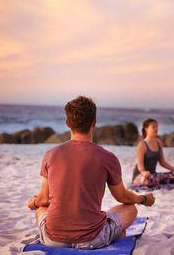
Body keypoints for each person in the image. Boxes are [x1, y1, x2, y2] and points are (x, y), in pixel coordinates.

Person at [26, 96, 155, 249]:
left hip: (53, 239)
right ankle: (112, 234)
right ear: (94, 123)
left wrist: (33, 202)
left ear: (67, 123)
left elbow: (44, 198)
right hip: (93, 239)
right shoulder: (108, 157)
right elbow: (122, 197)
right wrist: (143, 199)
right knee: (130, 208)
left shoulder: (50, 154)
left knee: (41, 209)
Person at [132, 118, 174, 187]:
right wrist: (143, 172)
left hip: (153, 175)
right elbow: (140, 166)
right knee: (148, 181)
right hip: (140, 175)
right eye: (153, 127)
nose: (156, 129)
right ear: (146, 129)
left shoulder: (158, 143)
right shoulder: (142, 145)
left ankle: (158, 180)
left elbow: (162, 162)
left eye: (157, 127)